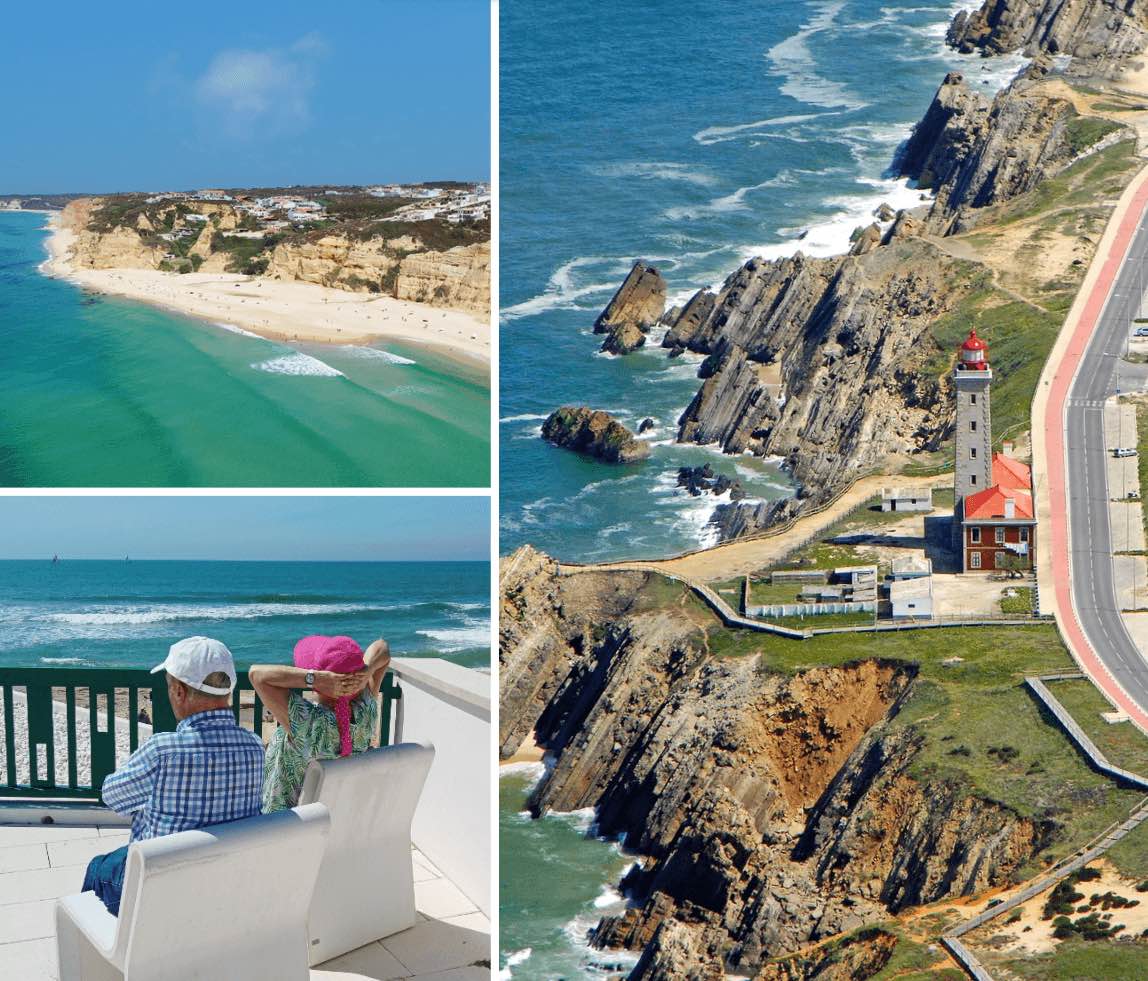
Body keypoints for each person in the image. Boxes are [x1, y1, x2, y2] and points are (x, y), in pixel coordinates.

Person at [82, 636, 265, 915]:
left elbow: (111, 797)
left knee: (98, 868)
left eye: (168, 687)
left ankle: (114, 950)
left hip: (162, 892)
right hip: (225, 883)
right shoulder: (253, 746)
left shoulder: (162, 750)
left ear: (179, 691)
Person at [252, 635, 391, 813]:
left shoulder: (308, 723)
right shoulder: (366, 710)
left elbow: (256, 675)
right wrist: (366, 672)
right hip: (329, 820)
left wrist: (314, 679)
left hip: (282, 823)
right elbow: (382, 647)